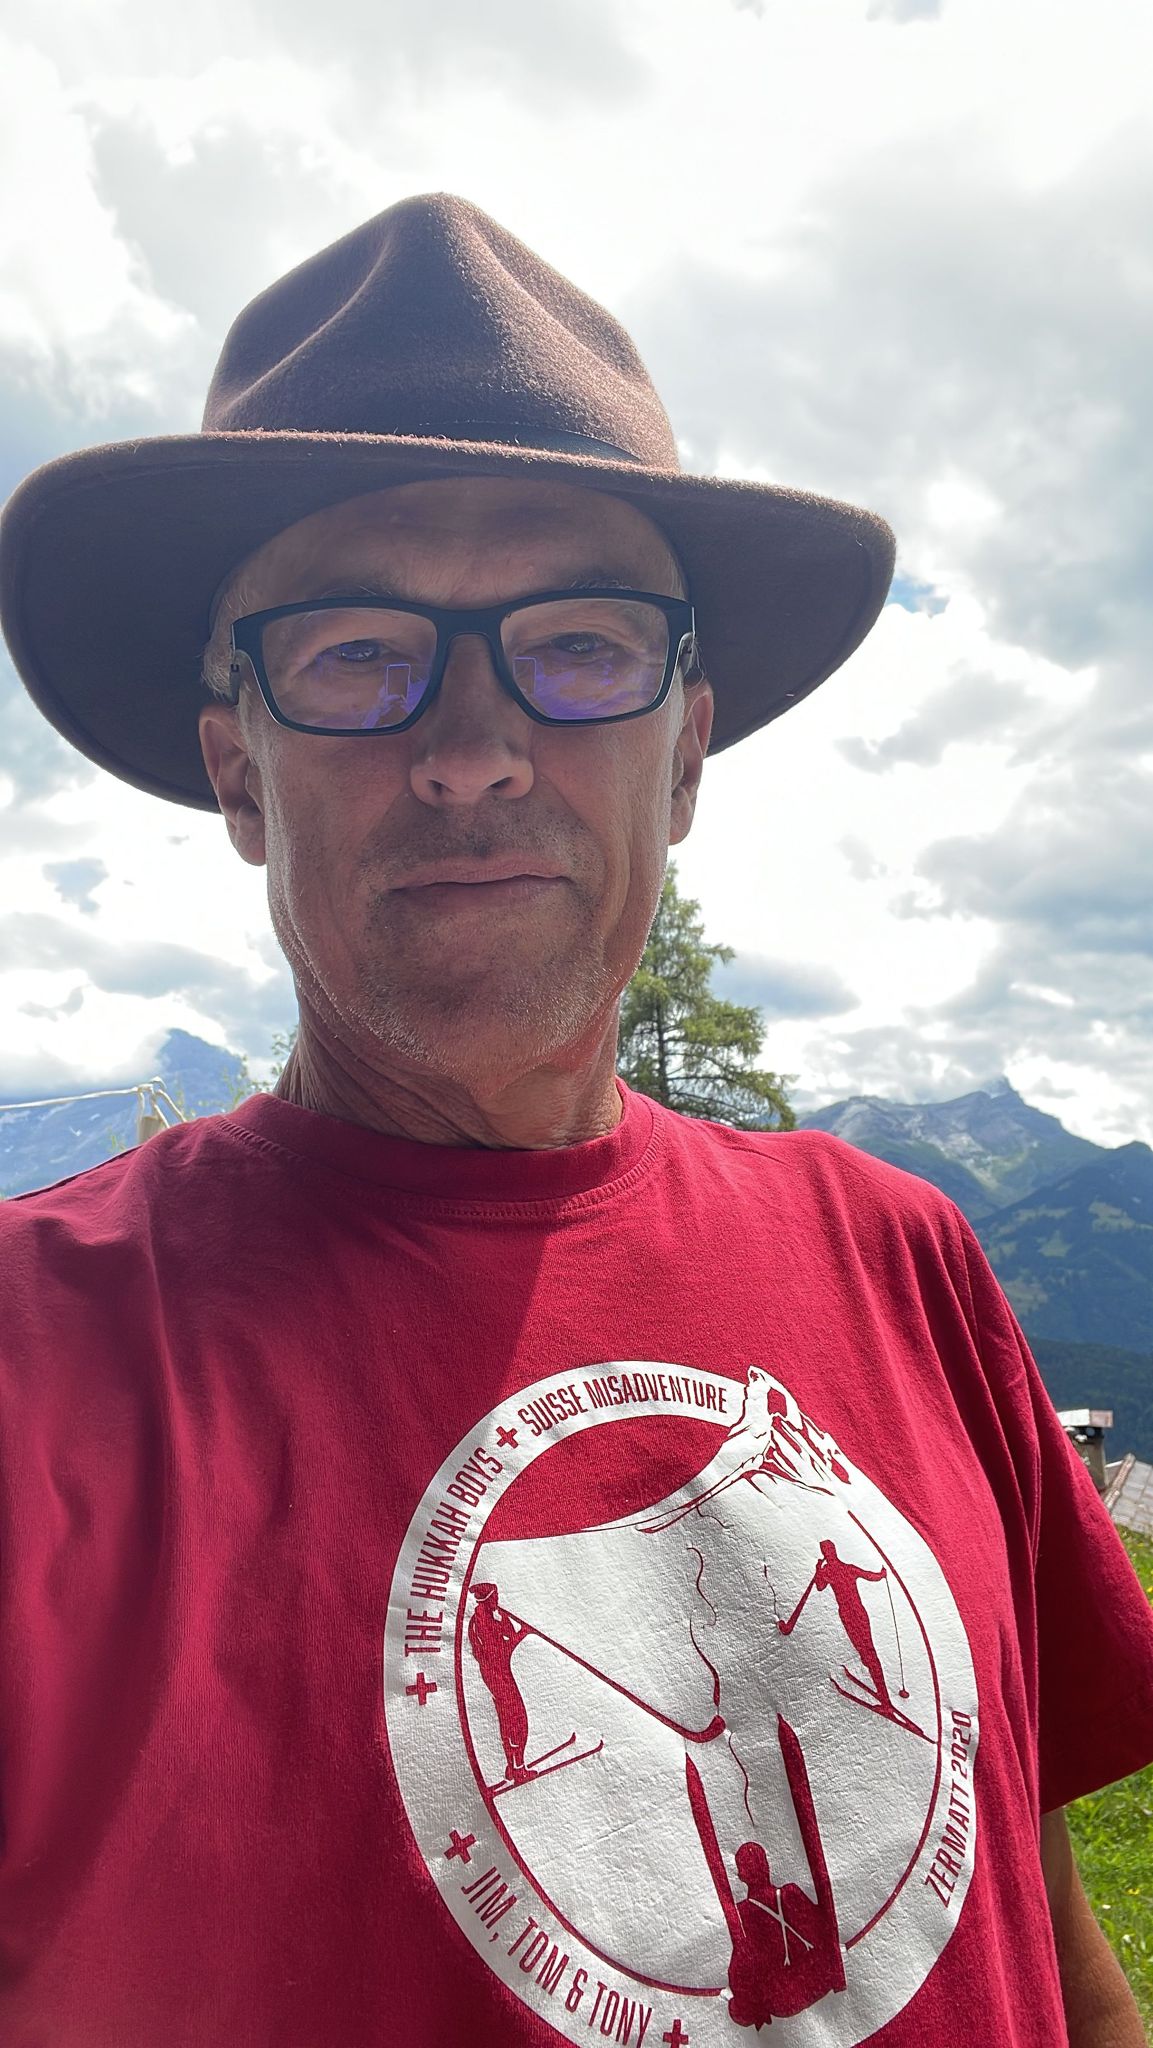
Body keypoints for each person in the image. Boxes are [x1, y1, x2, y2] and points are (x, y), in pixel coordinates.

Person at [0, 193, 1150, 2048]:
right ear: (238, 769)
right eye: (357, 653)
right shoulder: (33, 1359)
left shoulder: (902, 1256)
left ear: (683, 751)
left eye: (584, 646)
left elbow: (1037, 1936)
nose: (471, 750)